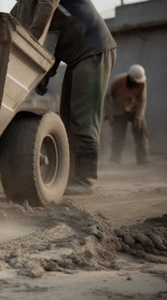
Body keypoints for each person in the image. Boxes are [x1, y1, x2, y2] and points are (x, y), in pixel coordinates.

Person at [11, 0, 117, 195]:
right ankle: (71, 175)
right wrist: (44, 74)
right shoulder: (24, 6)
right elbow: (50, 39)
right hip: (76, 57)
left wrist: (31, 46)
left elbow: (44, 14)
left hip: (94, 50)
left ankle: (86, 179)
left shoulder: (42, 5)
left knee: (82, 119)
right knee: (67, 119)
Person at [104, 64, 149, 165]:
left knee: (141, 134)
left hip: (134, 110)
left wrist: (139, 117)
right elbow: (107, 98)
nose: (138, 83)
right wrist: (109, 114)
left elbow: (142, 101)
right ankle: (115, 158)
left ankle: (142, 159)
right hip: (118, 110)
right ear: (131, 78)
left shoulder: (142, 84)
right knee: (118, 136)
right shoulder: (117, 81)